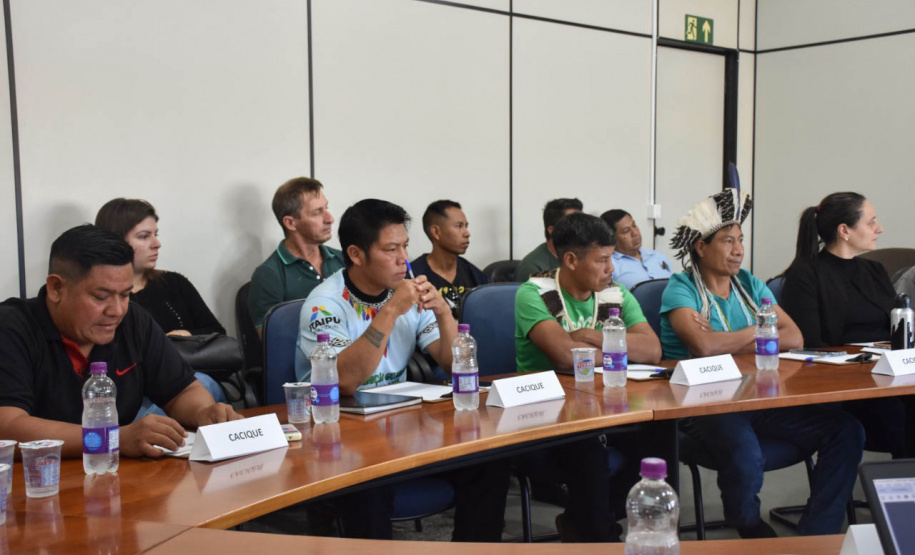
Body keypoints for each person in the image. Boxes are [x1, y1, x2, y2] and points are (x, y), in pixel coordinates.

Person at [295, 199, 509, 541]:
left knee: (489, 463)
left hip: (399, 430)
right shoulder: (326, 304)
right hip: (339, 436)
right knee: (366, 487)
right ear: (356, 254)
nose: (403, 260)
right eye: (390, 249)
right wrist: (391, 310)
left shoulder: (409, 293)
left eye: (406, 247)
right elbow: (343, 382)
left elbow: (456, 364)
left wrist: (442, 312)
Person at [660, 189, 864, 537]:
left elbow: (794, 337)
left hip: (758, 396)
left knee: (846, 430)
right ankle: (749, 526)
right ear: (701, 247)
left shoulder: (751, 286)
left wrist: (740, 336)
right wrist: (761, 330)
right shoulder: (680, 290)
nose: (738, 249)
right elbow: (705, 347)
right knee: (745, 454)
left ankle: (817, 533)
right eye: (727, 241)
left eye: (740, 240)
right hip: (703, 404)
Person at [0, 225, 241, 459]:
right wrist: (112, 439)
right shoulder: (11, 327)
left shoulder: (134, 321)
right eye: (100, 297)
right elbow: (8, 426)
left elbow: (181, 391)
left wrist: (205, 412)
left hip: (116, 478)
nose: (116, 310)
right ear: (56, 288)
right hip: (37, 485)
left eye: (125, 295)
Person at [514, 212, 661, 542]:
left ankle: (588, 522)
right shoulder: (532, 293)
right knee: (590, 450)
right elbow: (565, 356)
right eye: (603, 260)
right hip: (548, 414)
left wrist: (590, 336)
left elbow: (652, 349)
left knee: (662, 437)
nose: (612, 269)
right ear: (570, 260)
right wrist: (620, 344)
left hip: (608, 406)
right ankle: (601, 538)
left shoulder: (615, 293)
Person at [782, 192, 908, 458]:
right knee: (903, 417)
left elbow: (896, 331)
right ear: (844, 231)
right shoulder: (804, 276)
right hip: (849, 388)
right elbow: (810, 345)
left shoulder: (875, 271)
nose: (879, 228)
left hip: (893, 377)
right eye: (871, 222)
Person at [95, 198, 227, 408]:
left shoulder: (174, 283)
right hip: (134, 391)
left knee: (202, 384)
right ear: (116, 241)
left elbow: (217, 335)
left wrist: (185, 336)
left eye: (155, 235)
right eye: (144, 236)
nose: (156, 243)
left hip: (188, 378)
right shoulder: (101, 298)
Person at [249, 177, 344, 337]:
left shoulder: (344, 259)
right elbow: (273, 342)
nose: (330, 219)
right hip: (312, 359)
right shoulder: (268, 275)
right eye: (317, 212)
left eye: (326, 208)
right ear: (291, 223)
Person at [410, 200, 488, 319]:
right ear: (436, 232)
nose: (467, 233)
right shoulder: (413, 276)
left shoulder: (475, 275)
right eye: (459, 226)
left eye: (466, 226)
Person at [600, 209, 673, 289]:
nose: (635, 233)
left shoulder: (656, 256)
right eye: (626, 231)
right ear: (612, 238)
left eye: (634, 225)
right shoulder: (610, 266)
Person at [514, 198, 582, 281]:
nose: (582, 230)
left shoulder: (585, 257)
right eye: (574, 224)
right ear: (552, 231)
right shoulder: (532, 267)